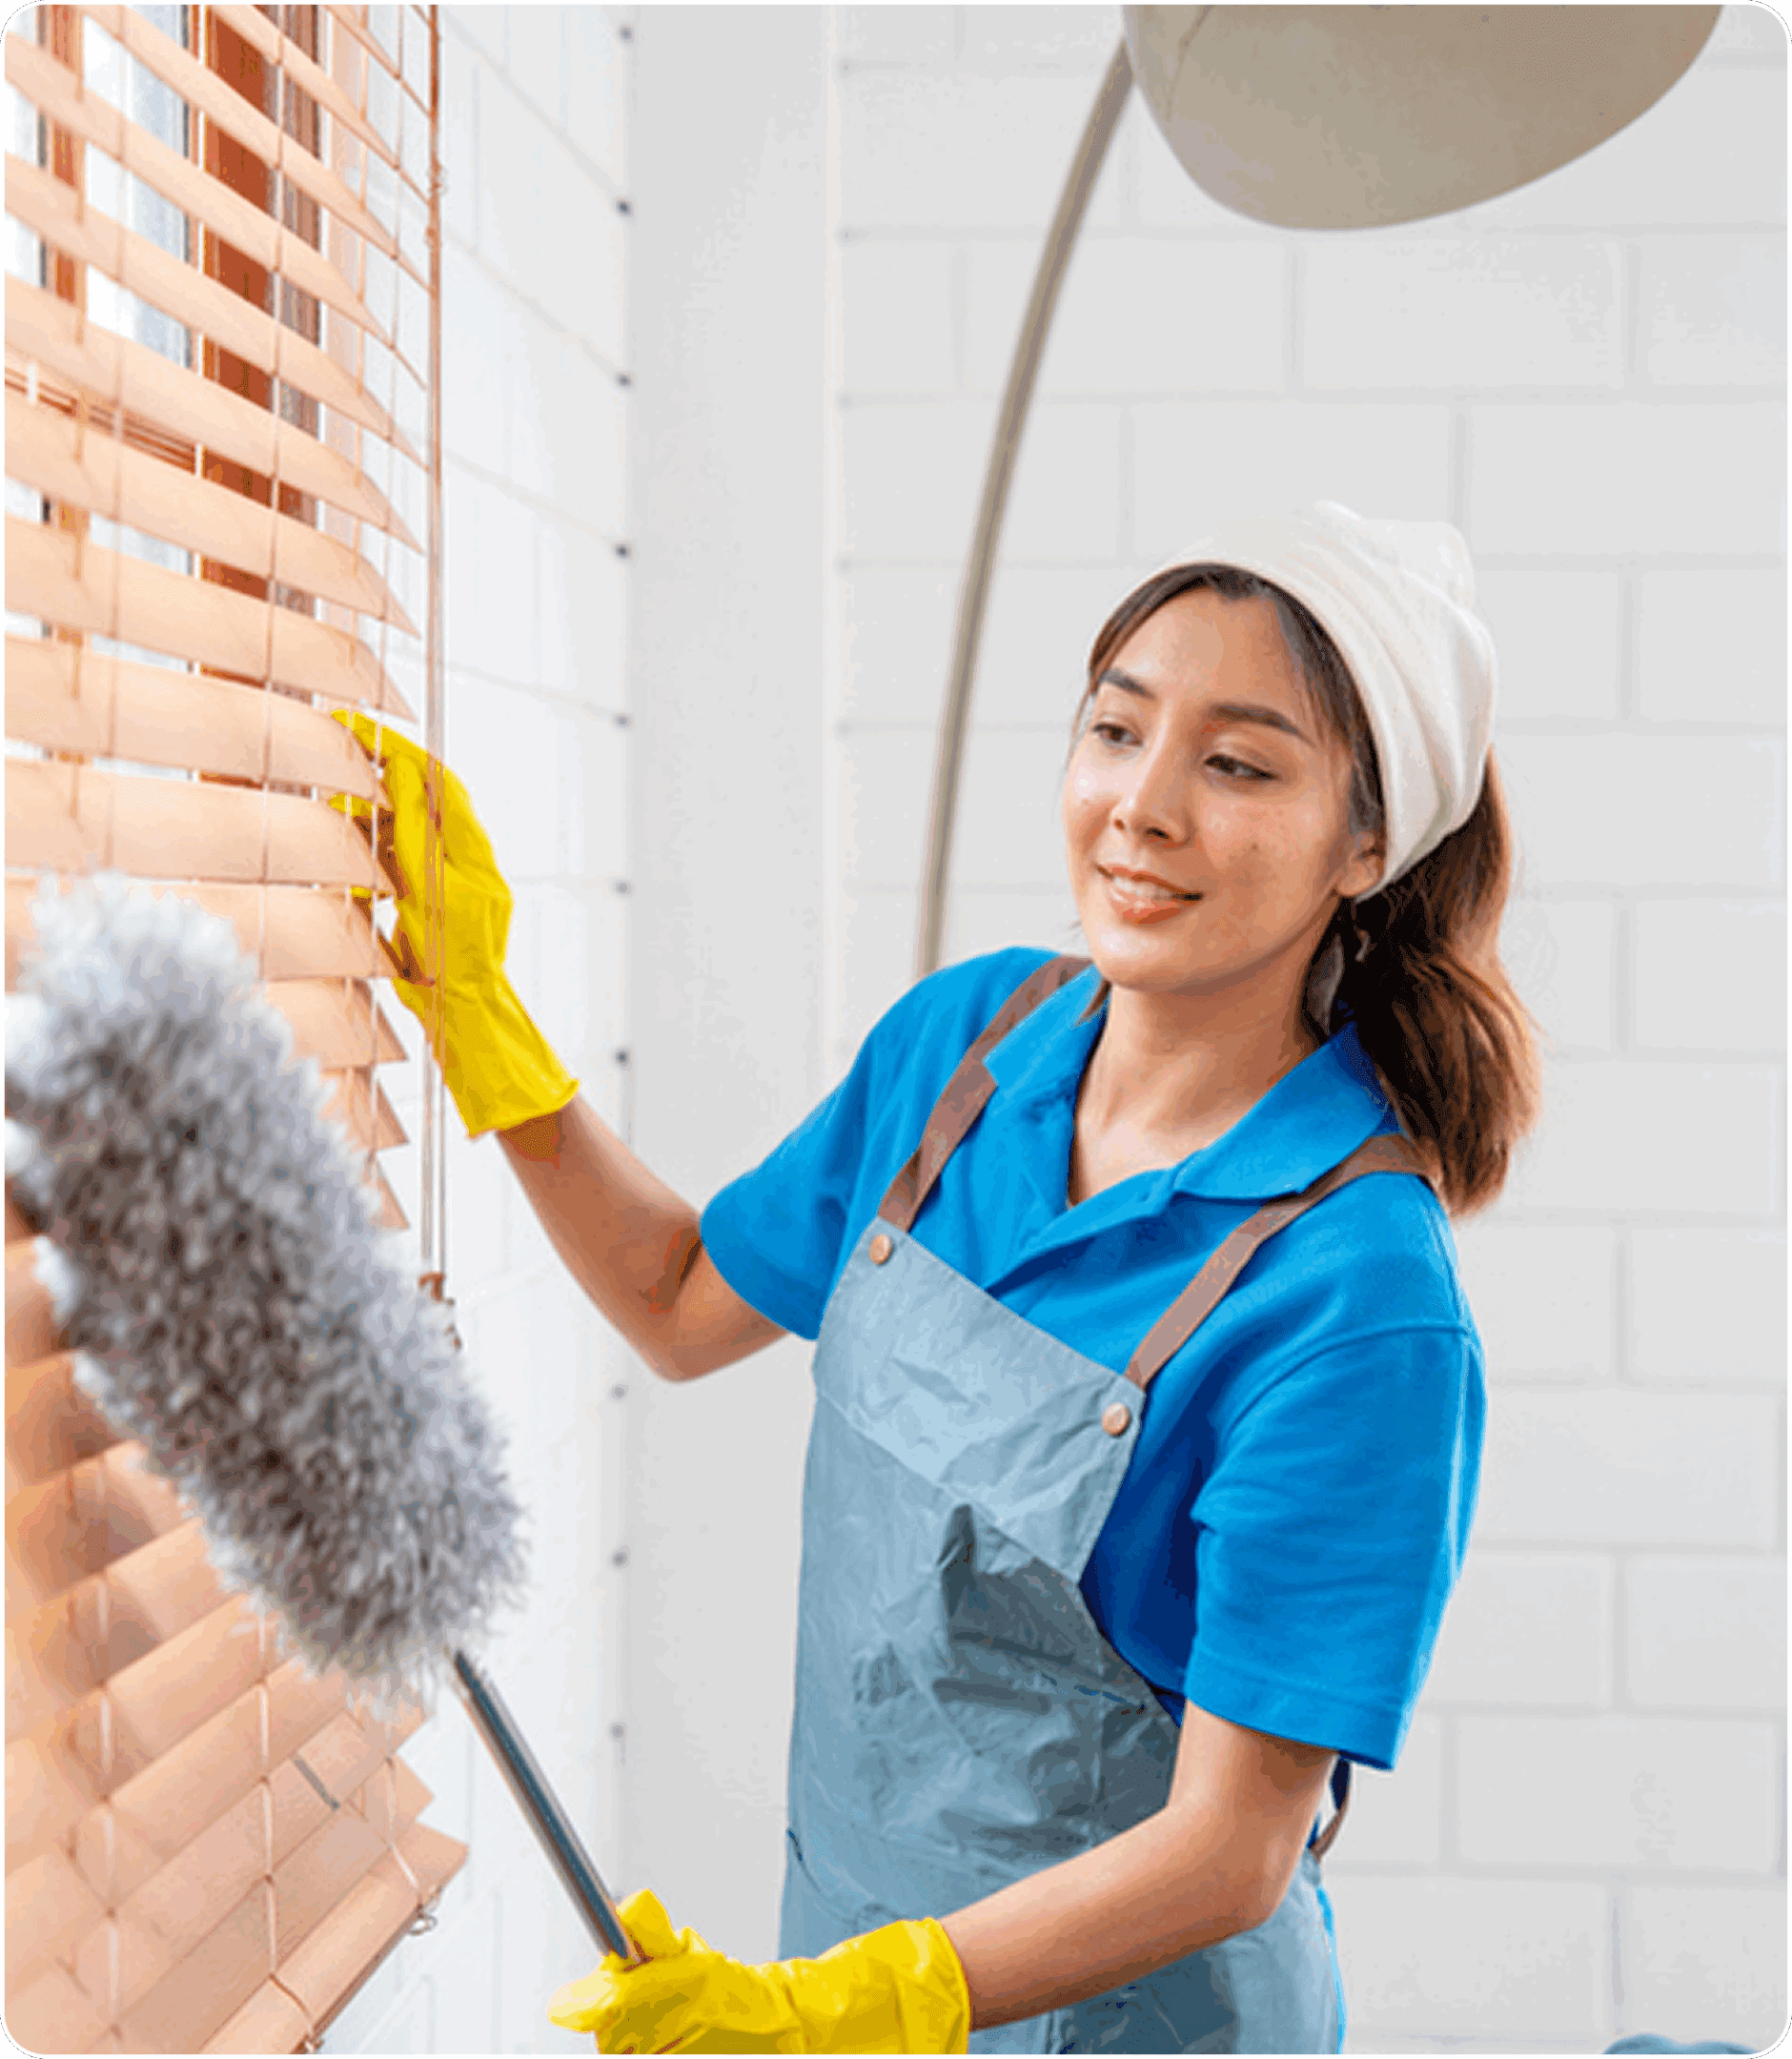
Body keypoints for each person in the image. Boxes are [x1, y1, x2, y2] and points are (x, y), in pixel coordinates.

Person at [340, 500, 1540, 2055]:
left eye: (1237, 763)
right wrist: (483, 1022)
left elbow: (1233, 1852)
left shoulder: (1358, 1303)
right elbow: (681, 1299)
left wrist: (867, 2003)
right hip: (846, 1971)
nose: (1143, 807)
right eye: (1117, 730)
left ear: (1366, 846)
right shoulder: (971, 1048)